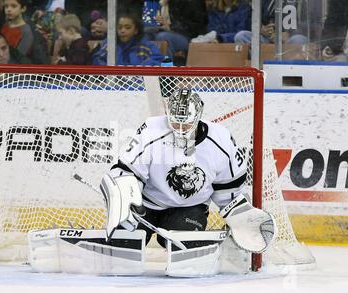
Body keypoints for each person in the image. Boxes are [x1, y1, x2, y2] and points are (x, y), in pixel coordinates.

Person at [104, 88, 247, 248]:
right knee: (123, 241)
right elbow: (125, 171)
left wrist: (238, 222)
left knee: (181, 246)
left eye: (185, 124)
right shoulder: (152, 129)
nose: (179, 129)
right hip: (147, 205)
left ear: (198, 117)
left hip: (190, 207)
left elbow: (229, 190)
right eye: (175, 122)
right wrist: (127, 201)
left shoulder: (220, 139)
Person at [144, 0, 208, 64]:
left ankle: (166, 70)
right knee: (146, 32)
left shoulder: (194, 2)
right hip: (174, 31)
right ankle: (143, 67)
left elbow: (198, 26)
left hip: (192, 37)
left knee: (163, 36)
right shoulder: (168, 3)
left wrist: (171, 26)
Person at [92, 12, 164, 66]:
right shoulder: (109, 45)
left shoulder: (147, 46)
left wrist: (144, 67)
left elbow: (158, 61)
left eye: (127, 27)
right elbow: (97, 59)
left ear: (136, 30)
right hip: (113, 83)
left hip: (141, 83)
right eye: (119, 27)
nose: (122, 31)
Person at [234, 0, 308, 46]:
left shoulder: (305, 2)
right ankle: (260, 65)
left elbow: (313, 23)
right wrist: (261, 30)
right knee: (241, 36)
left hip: (290, 40)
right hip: (268, 39)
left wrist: (290, 33)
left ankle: (288, 67)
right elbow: (254, 19)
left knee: (299, 40)